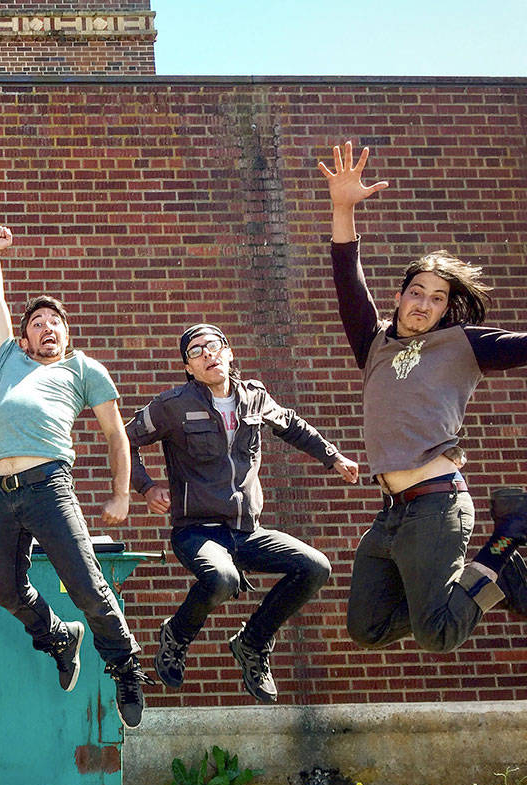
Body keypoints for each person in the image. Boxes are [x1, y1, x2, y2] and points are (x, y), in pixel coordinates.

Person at [320, 140, 527, 653]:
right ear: (400, 294)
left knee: (438, 634)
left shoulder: (464, 345)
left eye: (437, 299)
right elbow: (348, 278)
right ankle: (491, 580)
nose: (424, 305)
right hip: (391, 510)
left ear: (445, 309)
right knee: (365, 627)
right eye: (417, 292)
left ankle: (507, 548)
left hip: (438, 504)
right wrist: (343, 207)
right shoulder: (374, 343)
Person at [126, 324, 359, 702]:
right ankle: (176, 636)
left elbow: (293, 426)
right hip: (196, 531)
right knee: (222, 578)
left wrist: (333, 457)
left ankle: (252, 643)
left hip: (247, 531)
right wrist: (147, 487)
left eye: (213, 346)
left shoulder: (254, 396)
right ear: (188, 367)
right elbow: (124, 440)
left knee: (316, 567)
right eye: (196, 351)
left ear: (228, 352)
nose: (207, 355)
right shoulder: (172, 405)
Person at [0, 225, 149, 728]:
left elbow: (116, 435)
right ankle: (58, 635)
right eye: (37, 322)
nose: (46, 327)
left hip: (49, 487)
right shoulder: (8, 359)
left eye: (55, 322)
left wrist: (121, 492)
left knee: (88, 587)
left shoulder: (83, 369)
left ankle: (125, 666)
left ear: (66, 334)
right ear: (25, 336)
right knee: (6, 592)